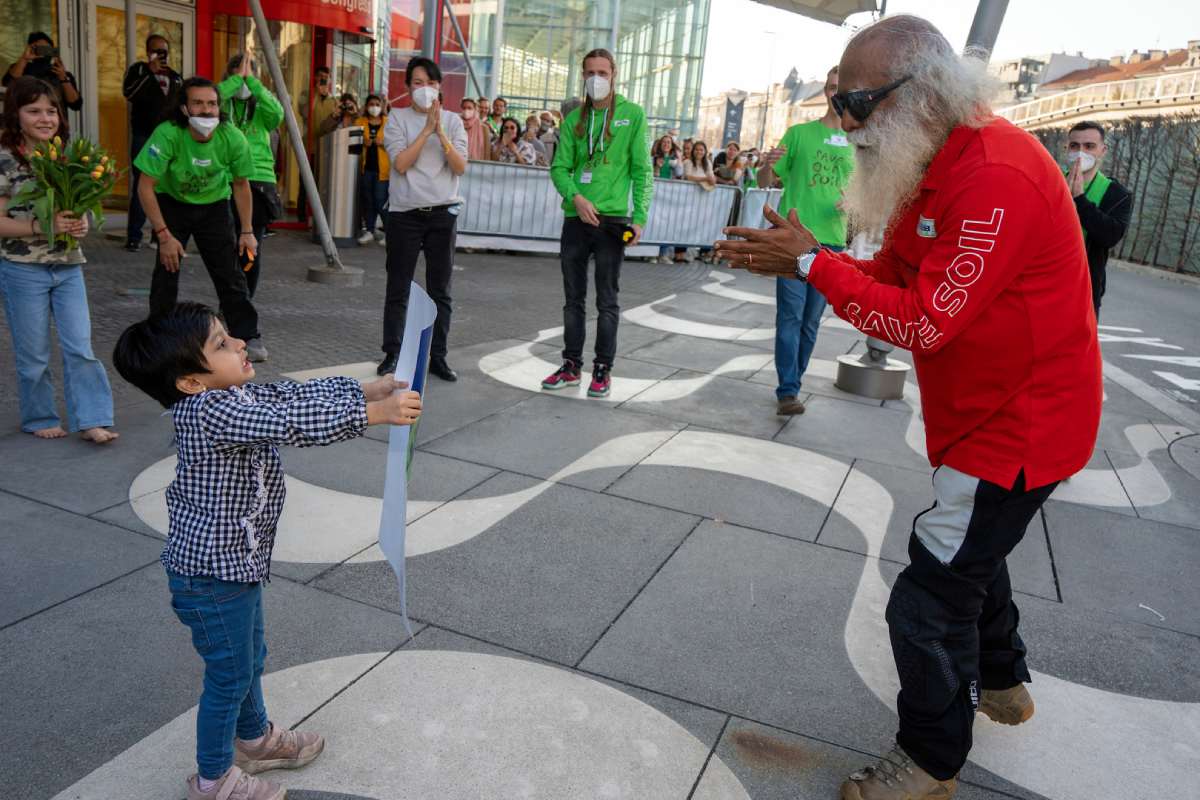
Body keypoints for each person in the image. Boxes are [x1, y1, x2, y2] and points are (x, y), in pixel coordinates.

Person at [717, 15, 1101, 800]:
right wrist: (807, 261)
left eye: (856, 102)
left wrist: (816, 266)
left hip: (1021, 427)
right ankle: (1005, 684)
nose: (846, 122)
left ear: (921, 93)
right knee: (971, 561)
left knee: (928, 598)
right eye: (837, 101)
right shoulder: (935, 163)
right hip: (985, 418)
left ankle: (929, 762)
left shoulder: (995, 177)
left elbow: (923, 317)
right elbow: (894, 269)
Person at [111, 301, 422, 800]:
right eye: (221, 344)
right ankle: (214, 780)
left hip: (234, 567)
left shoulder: (229, 396)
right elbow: (288, 425)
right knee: (229, 674)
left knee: (249, 658)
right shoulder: (211, 412)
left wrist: (367, 388)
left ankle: (254, 739)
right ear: (191, 381)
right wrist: (372, 413)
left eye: (229, 335)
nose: (239, 344)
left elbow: (287, 398)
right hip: (212, 577)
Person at [0, 77, 117, 444]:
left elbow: (75, 205)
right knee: (32, 352)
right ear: (15, 114)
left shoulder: (66, 156)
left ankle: (92, 419)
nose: (45, 118)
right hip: (23, 268)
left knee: (80, 347)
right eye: (33, 110)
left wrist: (79, 222)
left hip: (67, 265)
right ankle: (39, 417)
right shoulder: (5, 159)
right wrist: (39, 225)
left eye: (51, 110)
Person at [544, 47, 652, 398]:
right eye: (589, 72)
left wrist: (639, 217)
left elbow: (642, 170)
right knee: (572, 299)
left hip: (612, 221)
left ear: (614, 75)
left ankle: (603, 369)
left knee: (607, 299)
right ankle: (571, 364)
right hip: (576, 218)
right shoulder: (574, 118)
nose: (596, 79)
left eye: (602, 73)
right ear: (582, 76)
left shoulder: (632, 115)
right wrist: (576, 196)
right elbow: (559, 167)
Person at [135, 76, 265, 361]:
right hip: (173, 205)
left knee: (230, 274)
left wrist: (247, 231)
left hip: (215, 207)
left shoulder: (232, 137)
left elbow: (241, 185)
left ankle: (247, 335)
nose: (207, 110)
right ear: (184, 108)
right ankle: (160, 336)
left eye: (212, 104)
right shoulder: (168, 133)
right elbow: (145, 186)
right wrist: (164, 235)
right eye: (198, 103)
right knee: (166, 272)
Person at [756, 65, 853, 416]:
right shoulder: (798, 135)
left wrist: (855, 202)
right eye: (830, 87)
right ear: (825, 92)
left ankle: (794, 378)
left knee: (811, 320)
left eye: (842, 89)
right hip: (793, 238)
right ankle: (788, 390)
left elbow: (868, 194)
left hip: (832, 243)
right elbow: (766, 178)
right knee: (791, 315)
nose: (834, 94)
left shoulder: (861, 142)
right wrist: (766, 165)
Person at [379, 57, 468, 381]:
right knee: (398, 285)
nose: (424, 90)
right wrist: (425, 131)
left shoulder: (454, 121)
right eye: (417, 83)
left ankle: (438, 356)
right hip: (405, 214)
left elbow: (459, 166)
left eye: (430, 83)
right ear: (407, 87)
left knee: (440, 289)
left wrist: (440, 131)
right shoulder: (397, 118)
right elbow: (400, 163)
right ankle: (392, 352)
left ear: (439, 88)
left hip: (442, 214)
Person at [218, 53, 284, 300]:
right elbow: (213, 97)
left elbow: (278, 114)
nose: (243, 84)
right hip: (225, 180)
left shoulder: (261, 106)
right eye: (238, 77)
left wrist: (253, 83)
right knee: (226, 248)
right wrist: (236, 81)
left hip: (258, 182)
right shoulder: (223, 105)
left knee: (250, 248)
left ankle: (244, 302)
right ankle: (229, 301)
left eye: (247, 78)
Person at [122, 34, 183, 252]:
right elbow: (129, 93)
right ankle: (134, 236)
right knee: (142, 184)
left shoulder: (176, 77)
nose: (160, 55)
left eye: (164, 51)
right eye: (156, 50)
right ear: (148, 52)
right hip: (144, 136)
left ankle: (161, 236)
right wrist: (150, 72)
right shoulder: (139, 70)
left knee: (166, 186)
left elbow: (180, 107)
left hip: (168, 138)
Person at [1065, 120, 1131, 318]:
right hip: (1042, 287)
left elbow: (1110, 236)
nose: (1081, 152)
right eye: (1075, 146)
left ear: (1103, 150)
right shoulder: (1051, 181)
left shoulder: (1117, 193)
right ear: (1066, 148)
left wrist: (1079, 199)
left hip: (1085, 293)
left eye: (1089, 146)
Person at [3, 32, 82, 113]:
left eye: (47, 49)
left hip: (55, 123)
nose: (44, 52)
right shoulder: (22, 68)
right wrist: (24, 58)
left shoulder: (61, 73)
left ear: (52, 50)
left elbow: (76, 105)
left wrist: (63, 78)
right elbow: (8, 84)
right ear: (31, 49)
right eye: (39, 49)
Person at [350, 93, 390, 245]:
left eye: (377, 104)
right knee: (368, 200)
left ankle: (389, 231)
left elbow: (397, 143)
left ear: (382, 106)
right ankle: (370, 230)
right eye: (371, 104)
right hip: (366, 168)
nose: (374, 107)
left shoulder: (388, 122)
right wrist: (362, 142)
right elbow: (351, 142)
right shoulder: (360, 122)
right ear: (366, 107)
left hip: (383, 170)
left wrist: (384, 142)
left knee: (381, 201)